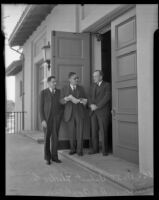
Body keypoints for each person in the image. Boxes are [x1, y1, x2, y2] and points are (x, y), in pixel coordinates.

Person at [60, 72, 87, 156]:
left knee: (80, 132)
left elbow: (85, 99)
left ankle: (80, 150)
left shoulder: (81, 88)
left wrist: (81, 100)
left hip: (79, 112)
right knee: (71, 132)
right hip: (69, 114)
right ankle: (72, 149)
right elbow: (60, 101)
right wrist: (67, 99)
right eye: (75, 78)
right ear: (70, 79)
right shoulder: (64, 88)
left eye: (77, 78)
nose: (77, 80)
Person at [40, 76, 63, 165]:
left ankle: (55, 157)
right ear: (49, 83)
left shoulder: (59, 92)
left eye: (55, 82)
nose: (55, 83)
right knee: (47, 138)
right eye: (53, 82)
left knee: (55, 138)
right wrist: (42, 120)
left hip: (56, 119)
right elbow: (41, 108)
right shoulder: (43, 93)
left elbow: (62, 105)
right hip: (47, 119)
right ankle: (47, 158)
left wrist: (60, 115)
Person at [88, 70, 111, 156]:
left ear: (101, 77)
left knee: (103, 131)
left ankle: (105, 151)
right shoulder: (92, 86)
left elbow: (107, 97)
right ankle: (95, 149)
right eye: (93, 76)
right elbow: (89, 97)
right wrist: (91, 105)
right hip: (93, 112)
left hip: (102, 112)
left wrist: (97, 106)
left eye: (96, 76)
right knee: (94, 131)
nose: (94, 78)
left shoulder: (107, 85)